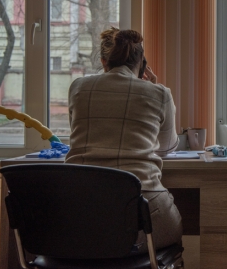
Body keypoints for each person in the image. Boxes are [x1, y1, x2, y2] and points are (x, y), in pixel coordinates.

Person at [66, 29, 182, 254]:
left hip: (80, 220)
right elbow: (167, 147)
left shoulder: (78, 88)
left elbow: (78, 132)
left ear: (103, 62)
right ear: (142, 64)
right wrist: (155, 89)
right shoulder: (159, 93)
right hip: (142, 221)